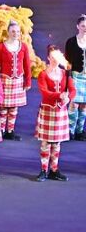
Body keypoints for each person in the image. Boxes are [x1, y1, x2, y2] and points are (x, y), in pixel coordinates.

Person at [35, 45, 71, 182]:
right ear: (48, 58)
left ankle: (54, 170)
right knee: (46, 143)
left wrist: (68, 97)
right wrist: (59, 95)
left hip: (60, 112)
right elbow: (44, 92)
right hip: (48, 111)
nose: (55, 61)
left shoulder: (64, 74)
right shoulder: (43, 74)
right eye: (52, 58)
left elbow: (71, 90)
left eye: (57, 58)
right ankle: (44, 169)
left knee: (56, 143)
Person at [0, 20, 32, 140]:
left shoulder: (23, 46)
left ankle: (10, 131)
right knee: (3, 107)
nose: (16, 34)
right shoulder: (0, 47)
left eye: (18, 32)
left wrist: (28, 81)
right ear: (8, 32)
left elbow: (27, 65)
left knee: (14, 107)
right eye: (13, 31)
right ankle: (1, 130)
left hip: (18, 80)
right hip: (4, 80)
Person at [65, 15, 86, 140]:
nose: (85, 28)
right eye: (83, 26)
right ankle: (70, 130)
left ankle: (80, 131)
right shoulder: (71, 42)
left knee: (84, 105)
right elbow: (68, 62)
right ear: (78, 26)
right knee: (74, 104)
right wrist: (68, 79)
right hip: (76, 77)